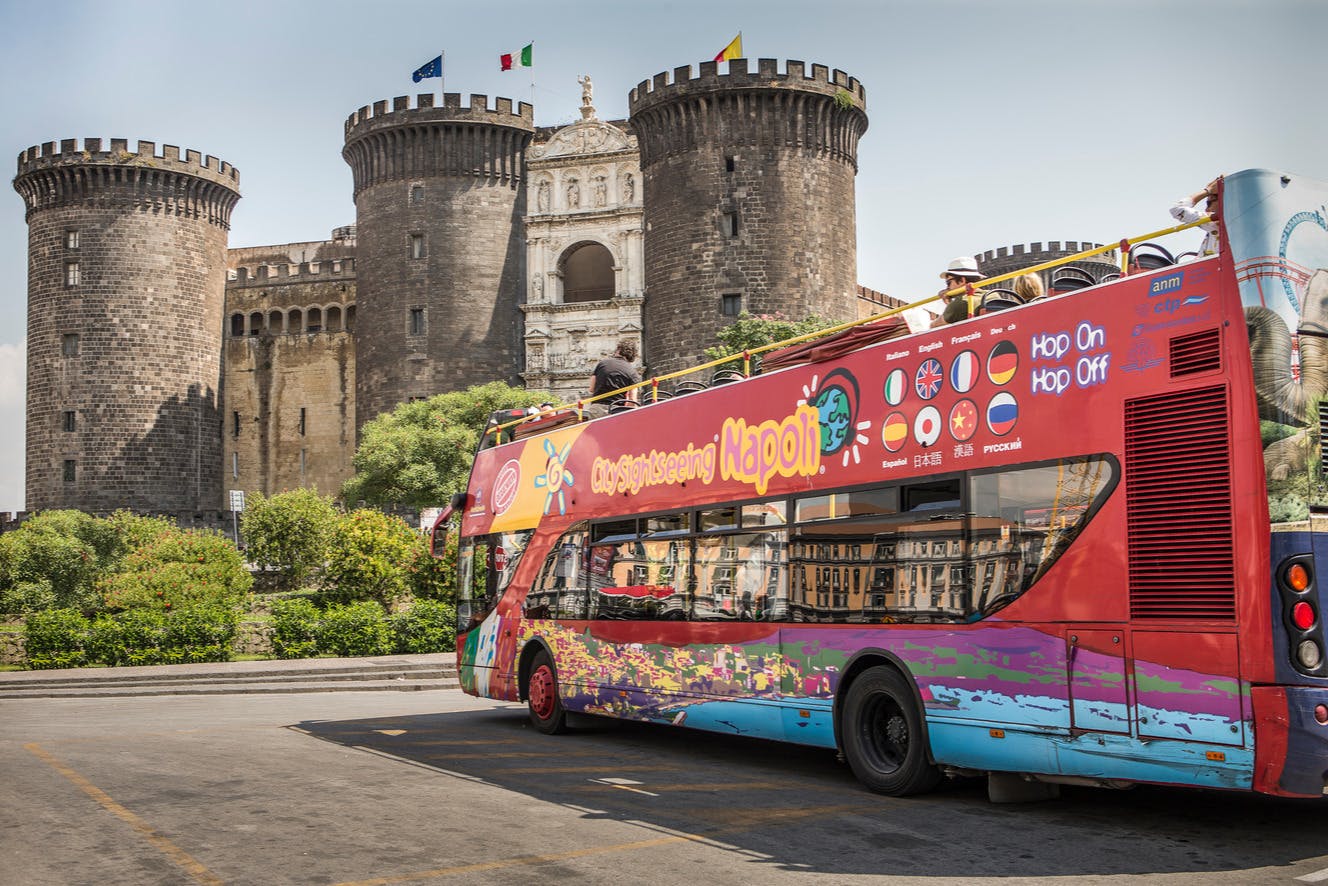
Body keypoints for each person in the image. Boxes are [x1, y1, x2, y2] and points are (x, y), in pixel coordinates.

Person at [1169, 176, 1222, 258]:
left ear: (1222, 200)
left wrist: (1208, 190)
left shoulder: (1217, 221)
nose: (1206, 209)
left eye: (1209, 203)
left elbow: (1176, 209)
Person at [590, 339, 640, 409]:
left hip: (597, 408)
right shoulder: (632, 372)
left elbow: (591, 388)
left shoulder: (602, 364)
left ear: (618, 350)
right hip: (616, 409)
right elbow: (632, 399)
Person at [937, 256, 985, 324]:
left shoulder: (961, 303)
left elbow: (934, 326)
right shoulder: (993, 295)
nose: (947, 287)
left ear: (962, 280)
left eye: (948, 282)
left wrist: (949, 303)